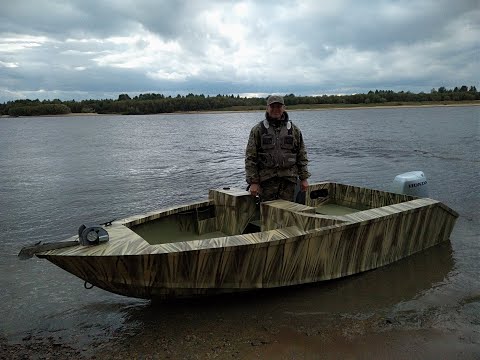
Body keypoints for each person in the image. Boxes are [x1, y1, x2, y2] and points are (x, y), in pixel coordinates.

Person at [245, 95, 310, 202]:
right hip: (266, 181)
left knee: (287, 212)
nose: (276, 110)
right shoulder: (258, 130)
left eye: (278, 107)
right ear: (267, 108)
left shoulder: (294, 130)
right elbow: (250, 158)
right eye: (272, 107)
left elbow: (301, 155)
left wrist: (304, 179)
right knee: (267, 213)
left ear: (284, 108)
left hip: (288, 181)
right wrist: (253, 182)